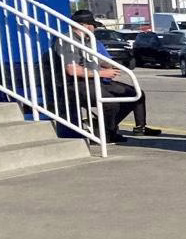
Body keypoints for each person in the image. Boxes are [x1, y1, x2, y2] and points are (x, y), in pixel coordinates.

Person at [66, 10, 161, 142]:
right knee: (111, 102)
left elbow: (98, 60)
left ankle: (109, 129)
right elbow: (72, 70)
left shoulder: (89, 41)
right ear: (85, 25)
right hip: (77, 84)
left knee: (135, 94)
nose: (94, 28)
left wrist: (110, 65)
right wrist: (103, 73)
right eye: (93, 25)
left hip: (96, 80)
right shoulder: (67, 41)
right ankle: (104, 133)